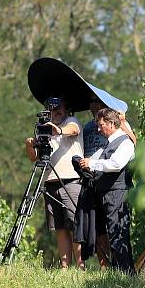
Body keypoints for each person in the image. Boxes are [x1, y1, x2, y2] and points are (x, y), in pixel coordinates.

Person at [24, 96, 84, 269]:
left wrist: (58, 130)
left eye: (58, 109)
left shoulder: (71, 121)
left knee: (74, 225)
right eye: (51, 109)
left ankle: (80, 267)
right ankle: (65, 267)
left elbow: (72, 130)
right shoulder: (45, 129)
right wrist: (30, 145)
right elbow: (34, 158)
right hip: (50, 181)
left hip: (70, 180)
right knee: (59, 227)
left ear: (66, 109)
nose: (55, 112)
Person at [78, 95, 137, 268]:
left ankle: (126, 274)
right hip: (110, 194)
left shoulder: (124, 143)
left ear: (111, 124)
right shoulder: (112, 143)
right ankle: (123, 274)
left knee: (119, 235)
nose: (98, 129)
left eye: (101, 125)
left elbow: (116, 164)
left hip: (118, 194)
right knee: (114, 234)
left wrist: (92, 163)